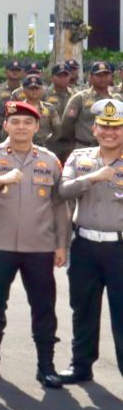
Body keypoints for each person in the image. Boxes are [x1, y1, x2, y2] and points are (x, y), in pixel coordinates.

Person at [0, 100, 69, 387]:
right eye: (16, 122)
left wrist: (62, 244)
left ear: (37, 127)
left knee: (44, 306)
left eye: (28, 123)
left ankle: (46, 364)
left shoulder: (49, 160)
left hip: (39, 245)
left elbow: (59, 205)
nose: (21, 127)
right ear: (6, 125)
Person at [57, 99, 123, 384]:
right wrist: (93, 178)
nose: (110, 132)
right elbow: (63, 190)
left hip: (119, 248)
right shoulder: (79, 157)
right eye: (105, 126)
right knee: (83, 308)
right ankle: (81, 365)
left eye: (117, 127)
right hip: (84, 245)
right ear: (94, 128)